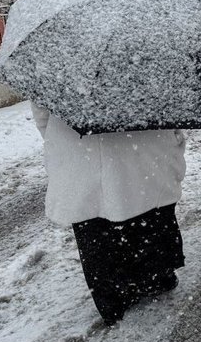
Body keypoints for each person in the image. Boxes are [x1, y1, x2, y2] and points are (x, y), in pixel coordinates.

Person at [31, 104, 187, 325]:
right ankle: (154, 276)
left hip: (77, 147)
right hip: (142, 141)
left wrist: (64, 138)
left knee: (93, 230)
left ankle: (111, 299)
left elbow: (42, 114)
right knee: (149, 214)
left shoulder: (52, 72)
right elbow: (170, 103)